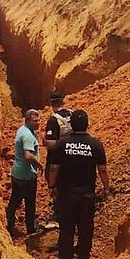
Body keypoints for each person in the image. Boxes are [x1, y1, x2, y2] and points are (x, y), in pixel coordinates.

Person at [47, 110, 110, 259]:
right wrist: (107, 188)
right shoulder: (96, 144)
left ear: (71, 124)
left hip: (66, 193)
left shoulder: (62, 144)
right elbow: (102, 169)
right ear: (87, 124)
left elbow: (54, 168)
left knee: (66, 226)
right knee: (85, 227)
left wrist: (51, 186)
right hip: (87, 194)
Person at [6, 109, 41, 238]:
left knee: (15, 200)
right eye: (35, 121)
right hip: (26, 176)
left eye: (39, 120)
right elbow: (28, 155)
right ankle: (30, 230)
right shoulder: (28, 135)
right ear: (27, 121)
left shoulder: (23, 129)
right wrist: (39, 164)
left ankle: (9, 225)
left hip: (18, 173)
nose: (38, 123)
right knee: (29, 203)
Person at [43, 91, 73, 226]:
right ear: (63, 101)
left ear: (51, 103)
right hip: (73, 159)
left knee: (56, 190)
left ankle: (59, 217)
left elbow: (51, 144)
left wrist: (44, 141)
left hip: (57, 160)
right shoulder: (72, 115)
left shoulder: (53, 120)